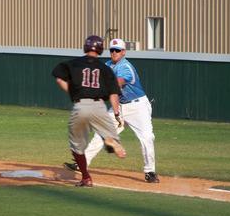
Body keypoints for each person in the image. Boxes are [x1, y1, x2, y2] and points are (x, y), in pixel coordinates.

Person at [63, 38, 160, 183]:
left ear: (123, 52)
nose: (114, 53)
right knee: (101, 134)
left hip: (137, 107)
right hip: (118, 106)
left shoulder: (126, 67)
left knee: (146, 137)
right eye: (112, 50)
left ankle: (150, 172)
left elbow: (117, 83)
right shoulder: (107, 65)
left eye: (117, 50)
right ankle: (82, 164)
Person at [52, 35, 127, 187]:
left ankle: (86, 177)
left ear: (86, 47)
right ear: (100, 49)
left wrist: (72, 92)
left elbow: (59, 77)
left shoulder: (73, 64)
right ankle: (110, 139)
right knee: (111, 134)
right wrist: (117, 113)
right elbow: (113, 93)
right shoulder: (106, 69)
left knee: (77, 146)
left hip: (80, 105)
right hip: (99, 106)